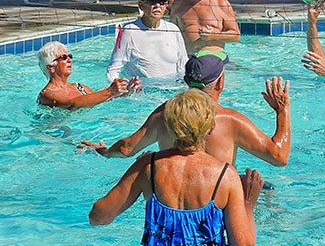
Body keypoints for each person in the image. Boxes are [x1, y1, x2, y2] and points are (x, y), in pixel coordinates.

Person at [88, 89, 263, 246]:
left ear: (170, 126)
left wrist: (139, 170)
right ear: (211, 127)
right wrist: (248, 204)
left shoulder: (149, 166)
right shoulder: (226, 175)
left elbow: (98, 217)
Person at [84, 52, 291, 167]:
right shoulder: (230, 120)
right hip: (217, 199)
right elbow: (279, 157)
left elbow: (126, 148)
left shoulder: (165, 113)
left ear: (185, 81)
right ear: (221, 83)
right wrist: (283, 111)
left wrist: (103, 151)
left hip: (172, 197)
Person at [106, 0, 187, 82]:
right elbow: (113, 69)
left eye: (161, 2)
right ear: (141, 5)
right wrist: (120, 90)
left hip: (171, 91)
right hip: (143, 93)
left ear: (166, 5)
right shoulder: (129, 31)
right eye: (152, 1)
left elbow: (183, 66)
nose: (157, 6)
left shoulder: (173, 29)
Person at [37, 40, 132, 109]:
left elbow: (100, 99)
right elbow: (72, 104)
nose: (70, 60)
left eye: (70, 56)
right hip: (55, 132)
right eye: (64, 57)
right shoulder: (47, 94)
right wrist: (109, 91)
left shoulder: (79, 87)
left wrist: (126, 92)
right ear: (51, 67)